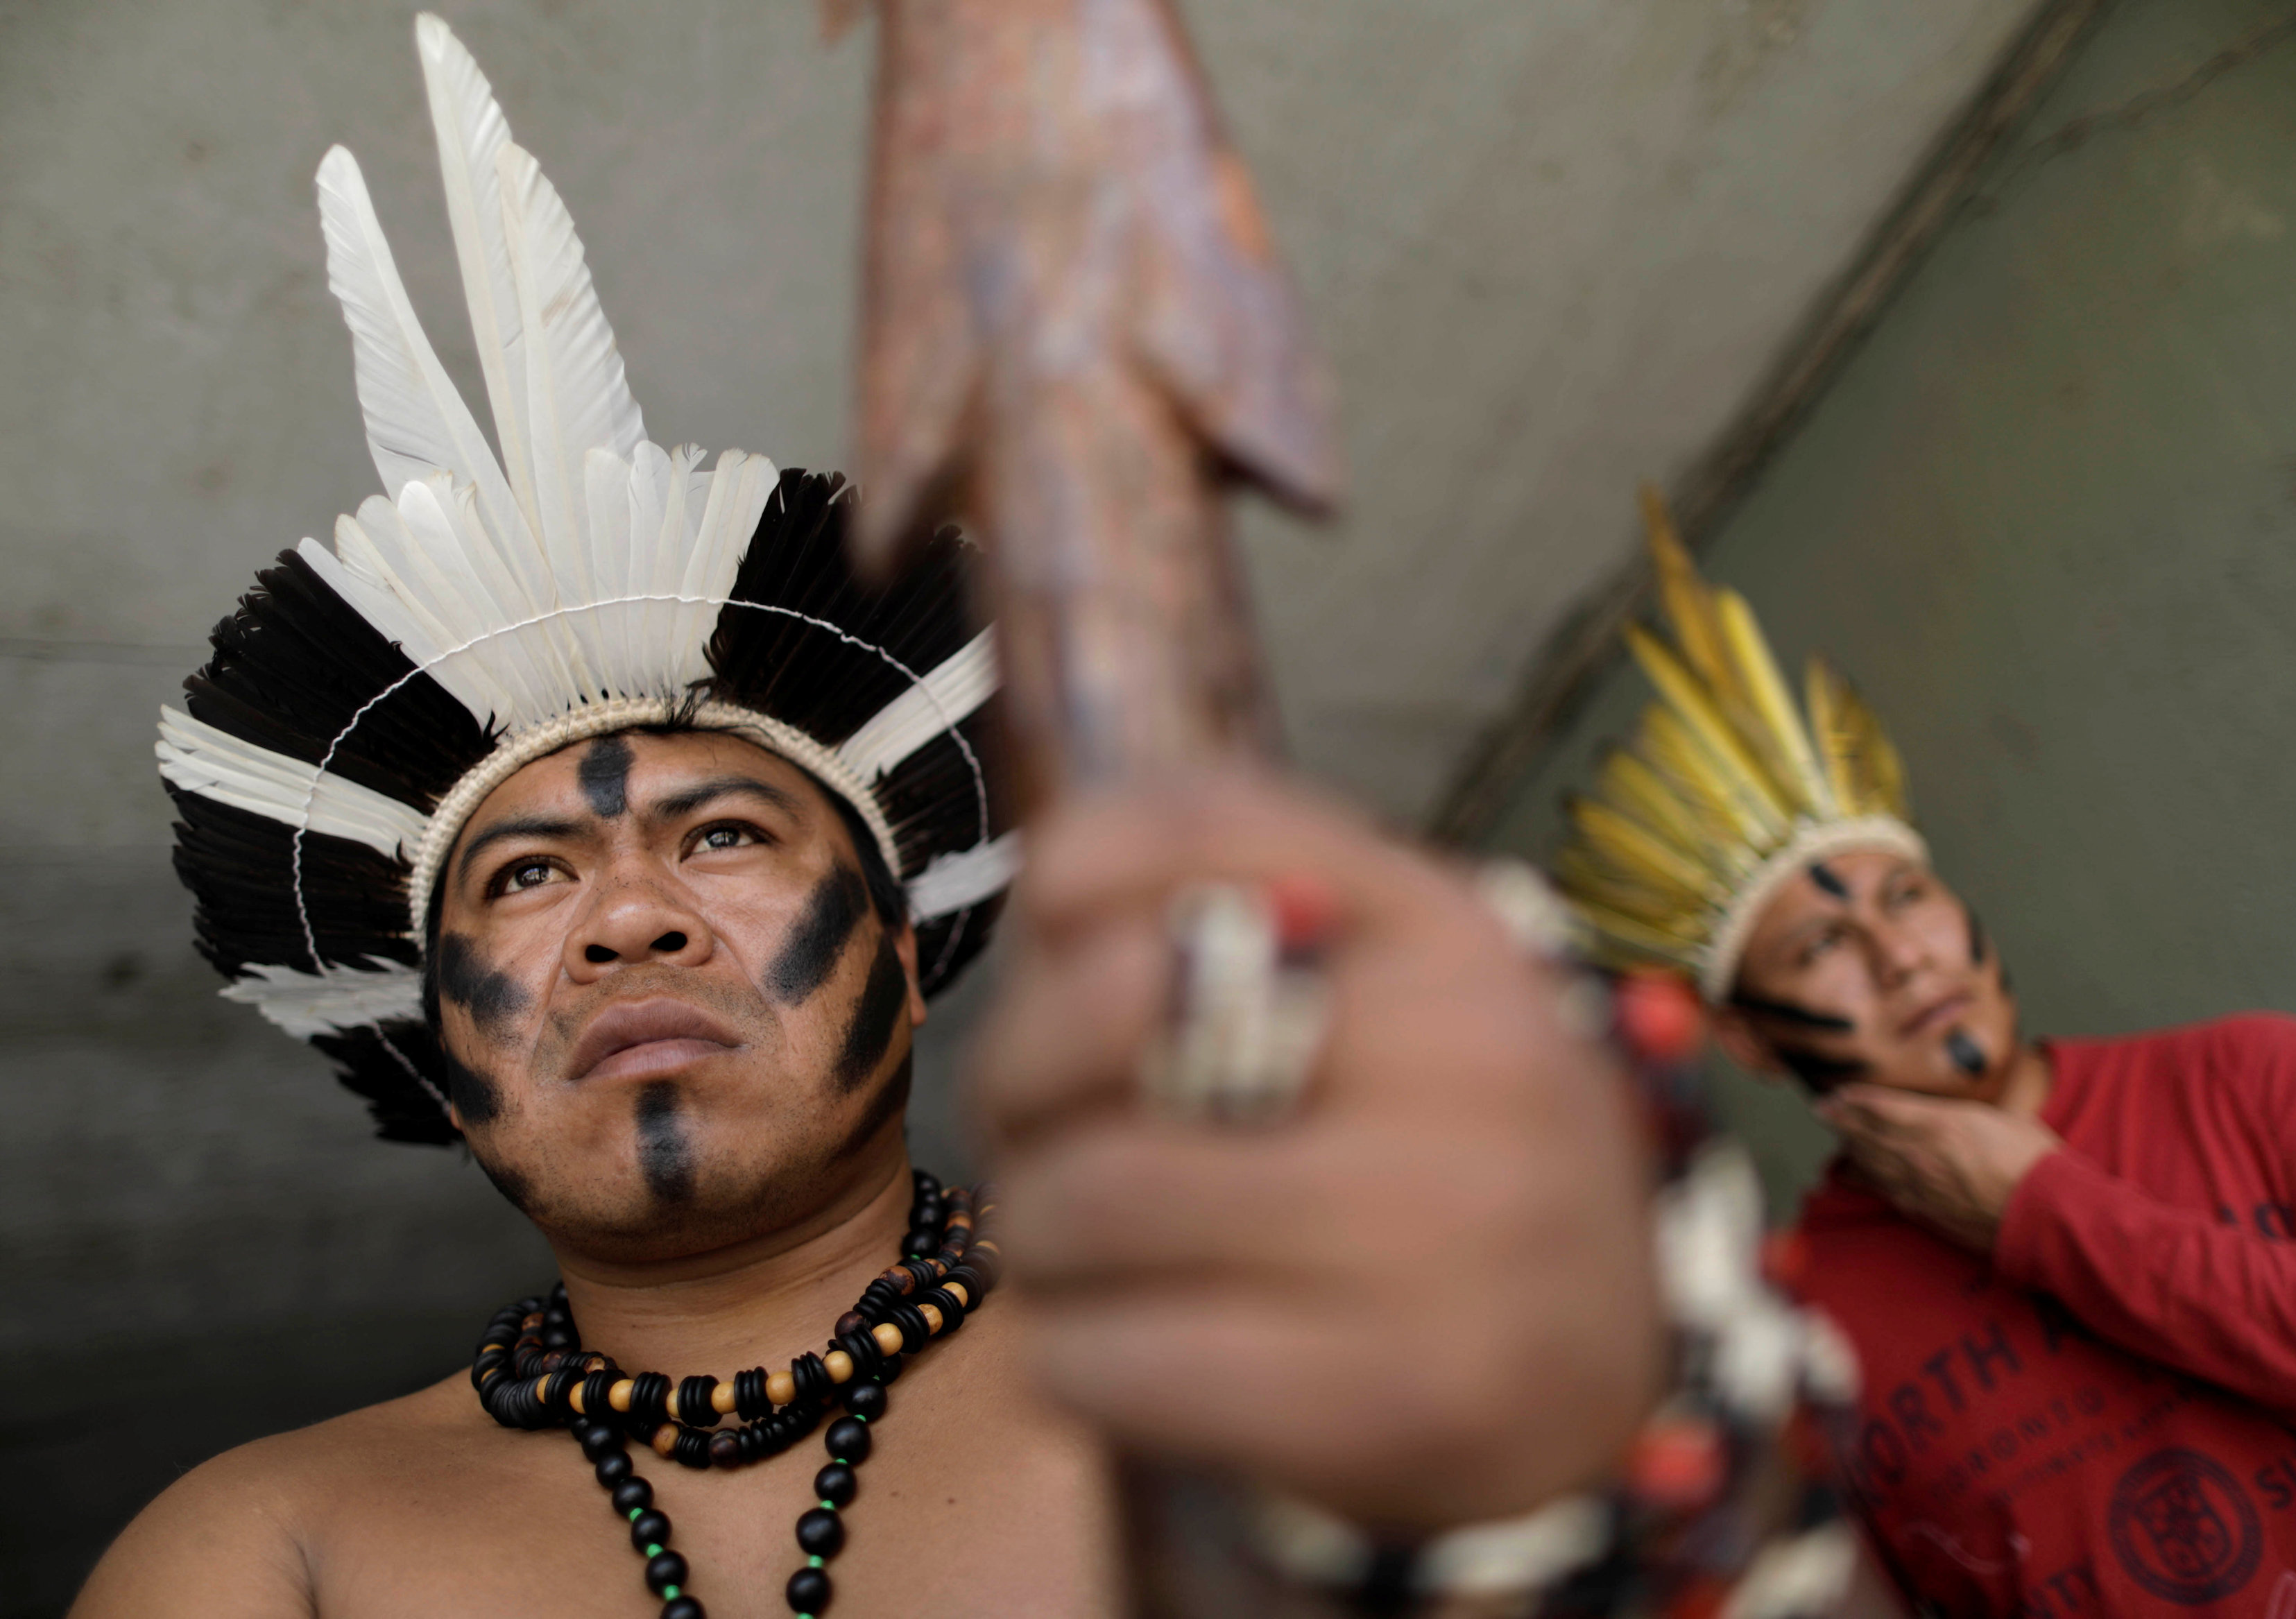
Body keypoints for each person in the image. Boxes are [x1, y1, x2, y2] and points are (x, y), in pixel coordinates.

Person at [74, 22, 1848, 1618]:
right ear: (433, 1039)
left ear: (910, 962)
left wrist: (1610, 1435)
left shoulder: (1259, 1329)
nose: (629, 921)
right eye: (530, 874)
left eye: (720, 838)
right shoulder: (266, 1551)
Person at [1556, 496, 2296, 1618]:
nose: (1900, 955)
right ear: (1745, 1039)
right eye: (1824, 943)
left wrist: (2043, 1208)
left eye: (1907, 895)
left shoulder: (2249, 1078)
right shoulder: (1795, 1327)